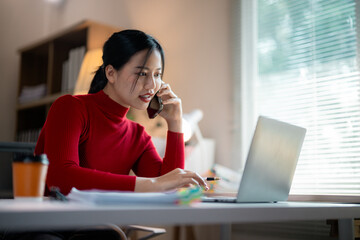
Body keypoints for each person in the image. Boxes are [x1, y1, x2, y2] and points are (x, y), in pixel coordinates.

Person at [34, 29, 209, 196]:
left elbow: (171, 188)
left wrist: (175, 123)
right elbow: (62, 179)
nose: (151, 85)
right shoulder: (70, 107)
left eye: (157, 75)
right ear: (111, 73)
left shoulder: (137, 136)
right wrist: (151, 185)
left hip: (107, 226)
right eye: (142, 73)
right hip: (55, 225)